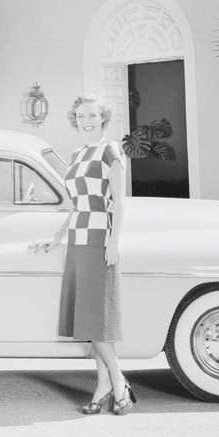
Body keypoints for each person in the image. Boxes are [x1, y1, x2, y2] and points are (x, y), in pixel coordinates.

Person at [30, 94, 136, 415]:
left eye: (91, 114)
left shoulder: (111, 150)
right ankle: (104, 385)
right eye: (80, 116)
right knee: (93, 320)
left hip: (99, 238)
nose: (86, 121)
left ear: (102, 117)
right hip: (77, 238)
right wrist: (57, 237)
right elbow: (77, 205)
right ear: (74, 119)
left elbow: (118, 201)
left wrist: (114, 242)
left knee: (94, 318)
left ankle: (118, 383)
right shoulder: (76, 154)